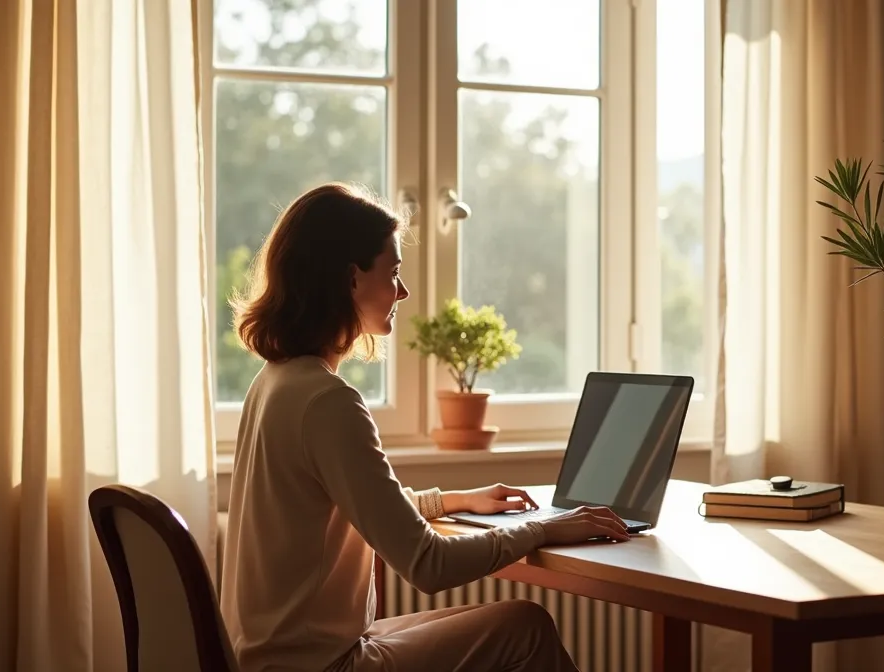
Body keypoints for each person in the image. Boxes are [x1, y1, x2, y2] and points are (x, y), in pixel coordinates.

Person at [219, 182, 630, 672]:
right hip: (321, 667)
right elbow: (428, 565)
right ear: (351, 280)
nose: (403, 291)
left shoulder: (276, 382)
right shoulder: (328, 402)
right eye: (392, 273)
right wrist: (542, 528)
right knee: (525, 628)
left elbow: (357, 509)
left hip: (270, 660)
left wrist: (451, 501)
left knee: (501, 625)